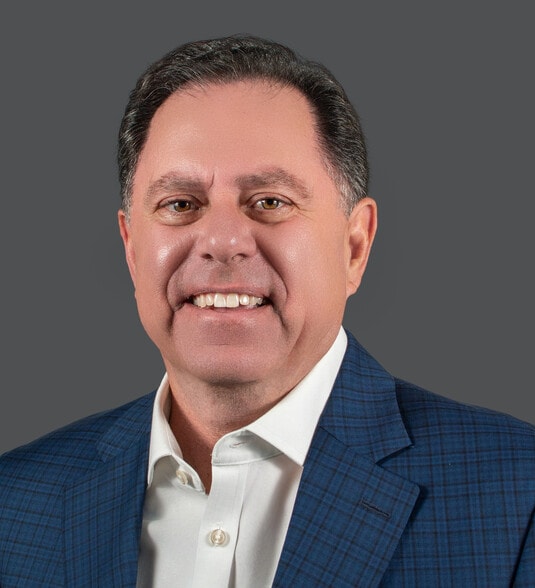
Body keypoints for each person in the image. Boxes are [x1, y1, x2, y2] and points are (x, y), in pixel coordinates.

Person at [0, 34, 533, 587]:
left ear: (355, 246)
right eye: (180, 204)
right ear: (132, 250)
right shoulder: (14, 503)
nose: (222, 241)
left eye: (271, 202)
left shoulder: (517, 496)